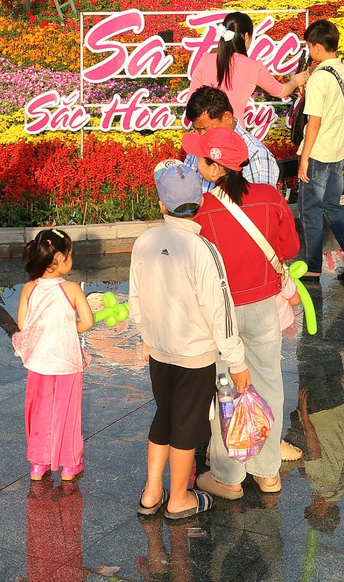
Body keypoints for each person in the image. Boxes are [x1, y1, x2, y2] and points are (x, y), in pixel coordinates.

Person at [129, 160, 251, 523]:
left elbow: (135, 298)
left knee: (164, 416)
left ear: (162, 205)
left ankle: (152, 492)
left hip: (160, 350)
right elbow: (221, 311)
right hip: (195, 355)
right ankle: (179, 498)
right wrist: (237, 361)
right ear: (199, 201)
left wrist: (148, 336)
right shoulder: (202, 249)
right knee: (185, 426)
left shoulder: (145, 241)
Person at [182, 126, 296, 498]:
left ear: (215, 169)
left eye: (201, 158)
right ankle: (267, 473)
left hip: (222, 313)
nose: (197, 162)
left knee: (225, 389)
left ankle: (228, 478)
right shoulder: (268, 196)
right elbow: (289, 247)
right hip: (264, 306)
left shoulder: (202, 211)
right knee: (269, 385)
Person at [16, 228, 94, 483]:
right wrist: (68, 330)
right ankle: (69, 464)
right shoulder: (71, 288)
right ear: (59, 258)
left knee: (39, 411)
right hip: (66, 362)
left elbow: (22, 325)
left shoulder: (29, 288)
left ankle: (39, 463)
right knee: (67, 412)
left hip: (39, 362)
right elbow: (88, 321)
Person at [294, 19, 344, 283]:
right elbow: (337, 108)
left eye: (308, 46)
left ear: (315, 47)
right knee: (333, 206)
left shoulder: (318, 79)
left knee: (310, 210)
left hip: (318, 151)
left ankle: (313, 266)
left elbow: (314, 123)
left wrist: (303, 161)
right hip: (338, 148)